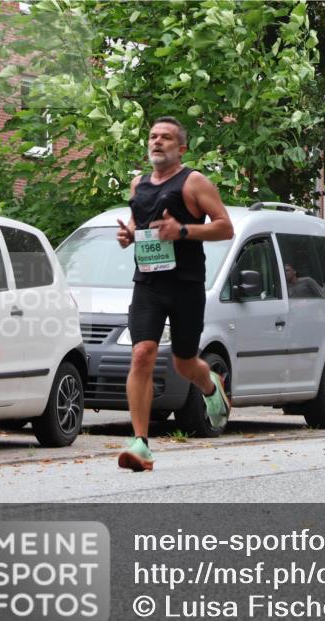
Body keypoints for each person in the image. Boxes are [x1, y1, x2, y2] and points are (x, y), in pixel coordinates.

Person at [115, 117, 234, 472]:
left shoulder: (194, 181)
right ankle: (141, 444)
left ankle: (211, 386)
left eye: (166, 138)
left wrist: (181, 230)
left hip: (185, 284)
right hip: (148, 284)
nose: (157, 142)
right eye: (152, 136)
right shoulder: (139, 183)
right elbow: (140, 224)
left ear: (180, 148)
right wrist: (129, 235)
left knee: (184, 362)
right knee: (142, 354)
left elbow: (225, 227)